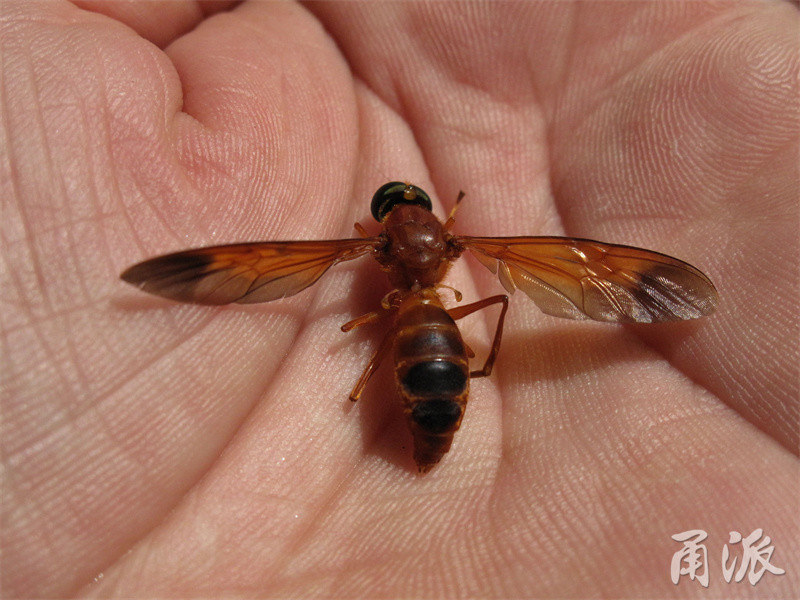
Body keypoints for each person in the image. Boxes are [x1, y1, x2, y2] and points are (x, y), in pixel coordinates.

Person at [2, 1, 798, 597]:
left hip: (423, 338)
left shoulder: (372, 247)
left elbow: (263, 267)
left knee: (404, 317)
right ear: (436, 228)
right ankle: (454, 386)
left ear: (383, 225)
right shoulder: (464, 246)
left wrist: (381, 307)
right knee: (462, 313)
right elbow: (572, 271)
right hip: (446, 338)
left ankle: (423, 390)